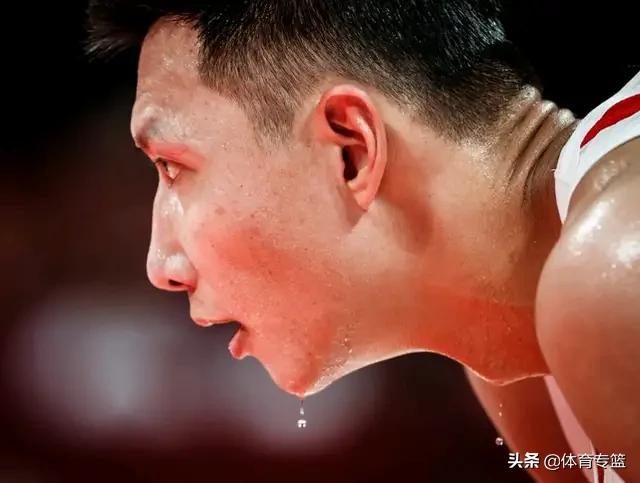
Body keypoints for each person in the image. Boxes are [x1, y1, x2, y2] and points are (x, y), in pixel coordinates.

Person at [86, 1, 639, 481]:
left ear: (351, 149)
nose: (161, 265)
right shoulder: (514, 354)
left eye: (173, 167)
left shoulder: (612, 271)